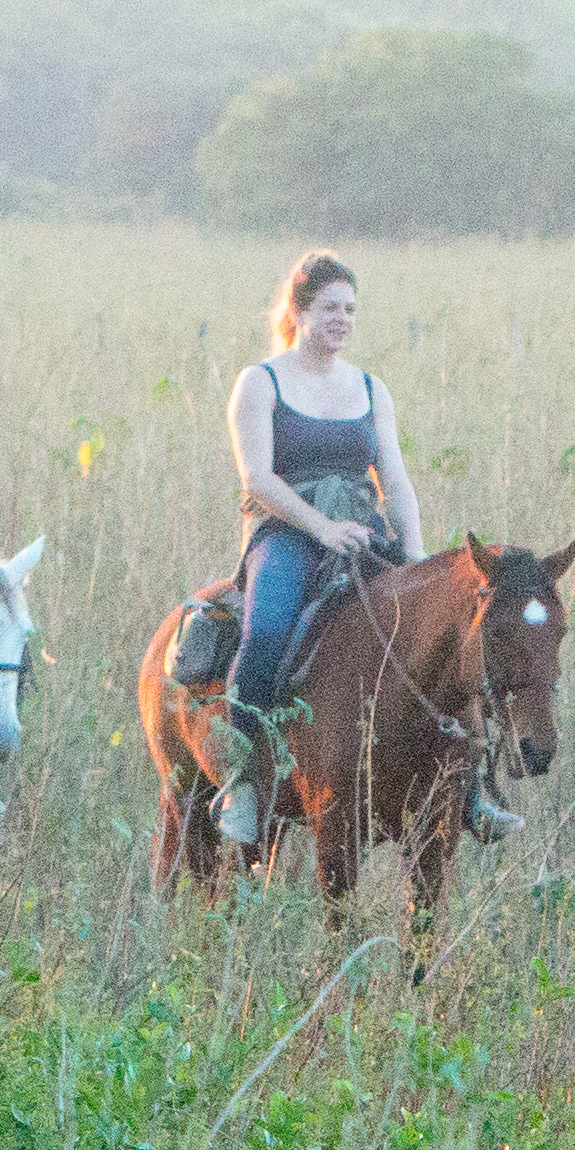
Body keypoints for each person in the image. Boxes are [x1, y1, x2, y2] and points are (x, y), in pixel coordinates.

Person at [214, 250, 513, 849]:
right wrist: (322, 528)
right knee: (267, 631)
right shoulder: (261, 381)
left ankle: (472, 787)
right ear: (298, 311)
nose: (342, 320)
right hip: (287, 533)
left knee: (449, 629)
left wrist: (419, 558)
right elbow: (259, 481)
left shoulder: (372, 389)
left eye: (350, 310)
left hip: (364, 531)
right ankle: (244, 782)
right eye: (329, 308)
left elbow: (395, 480)